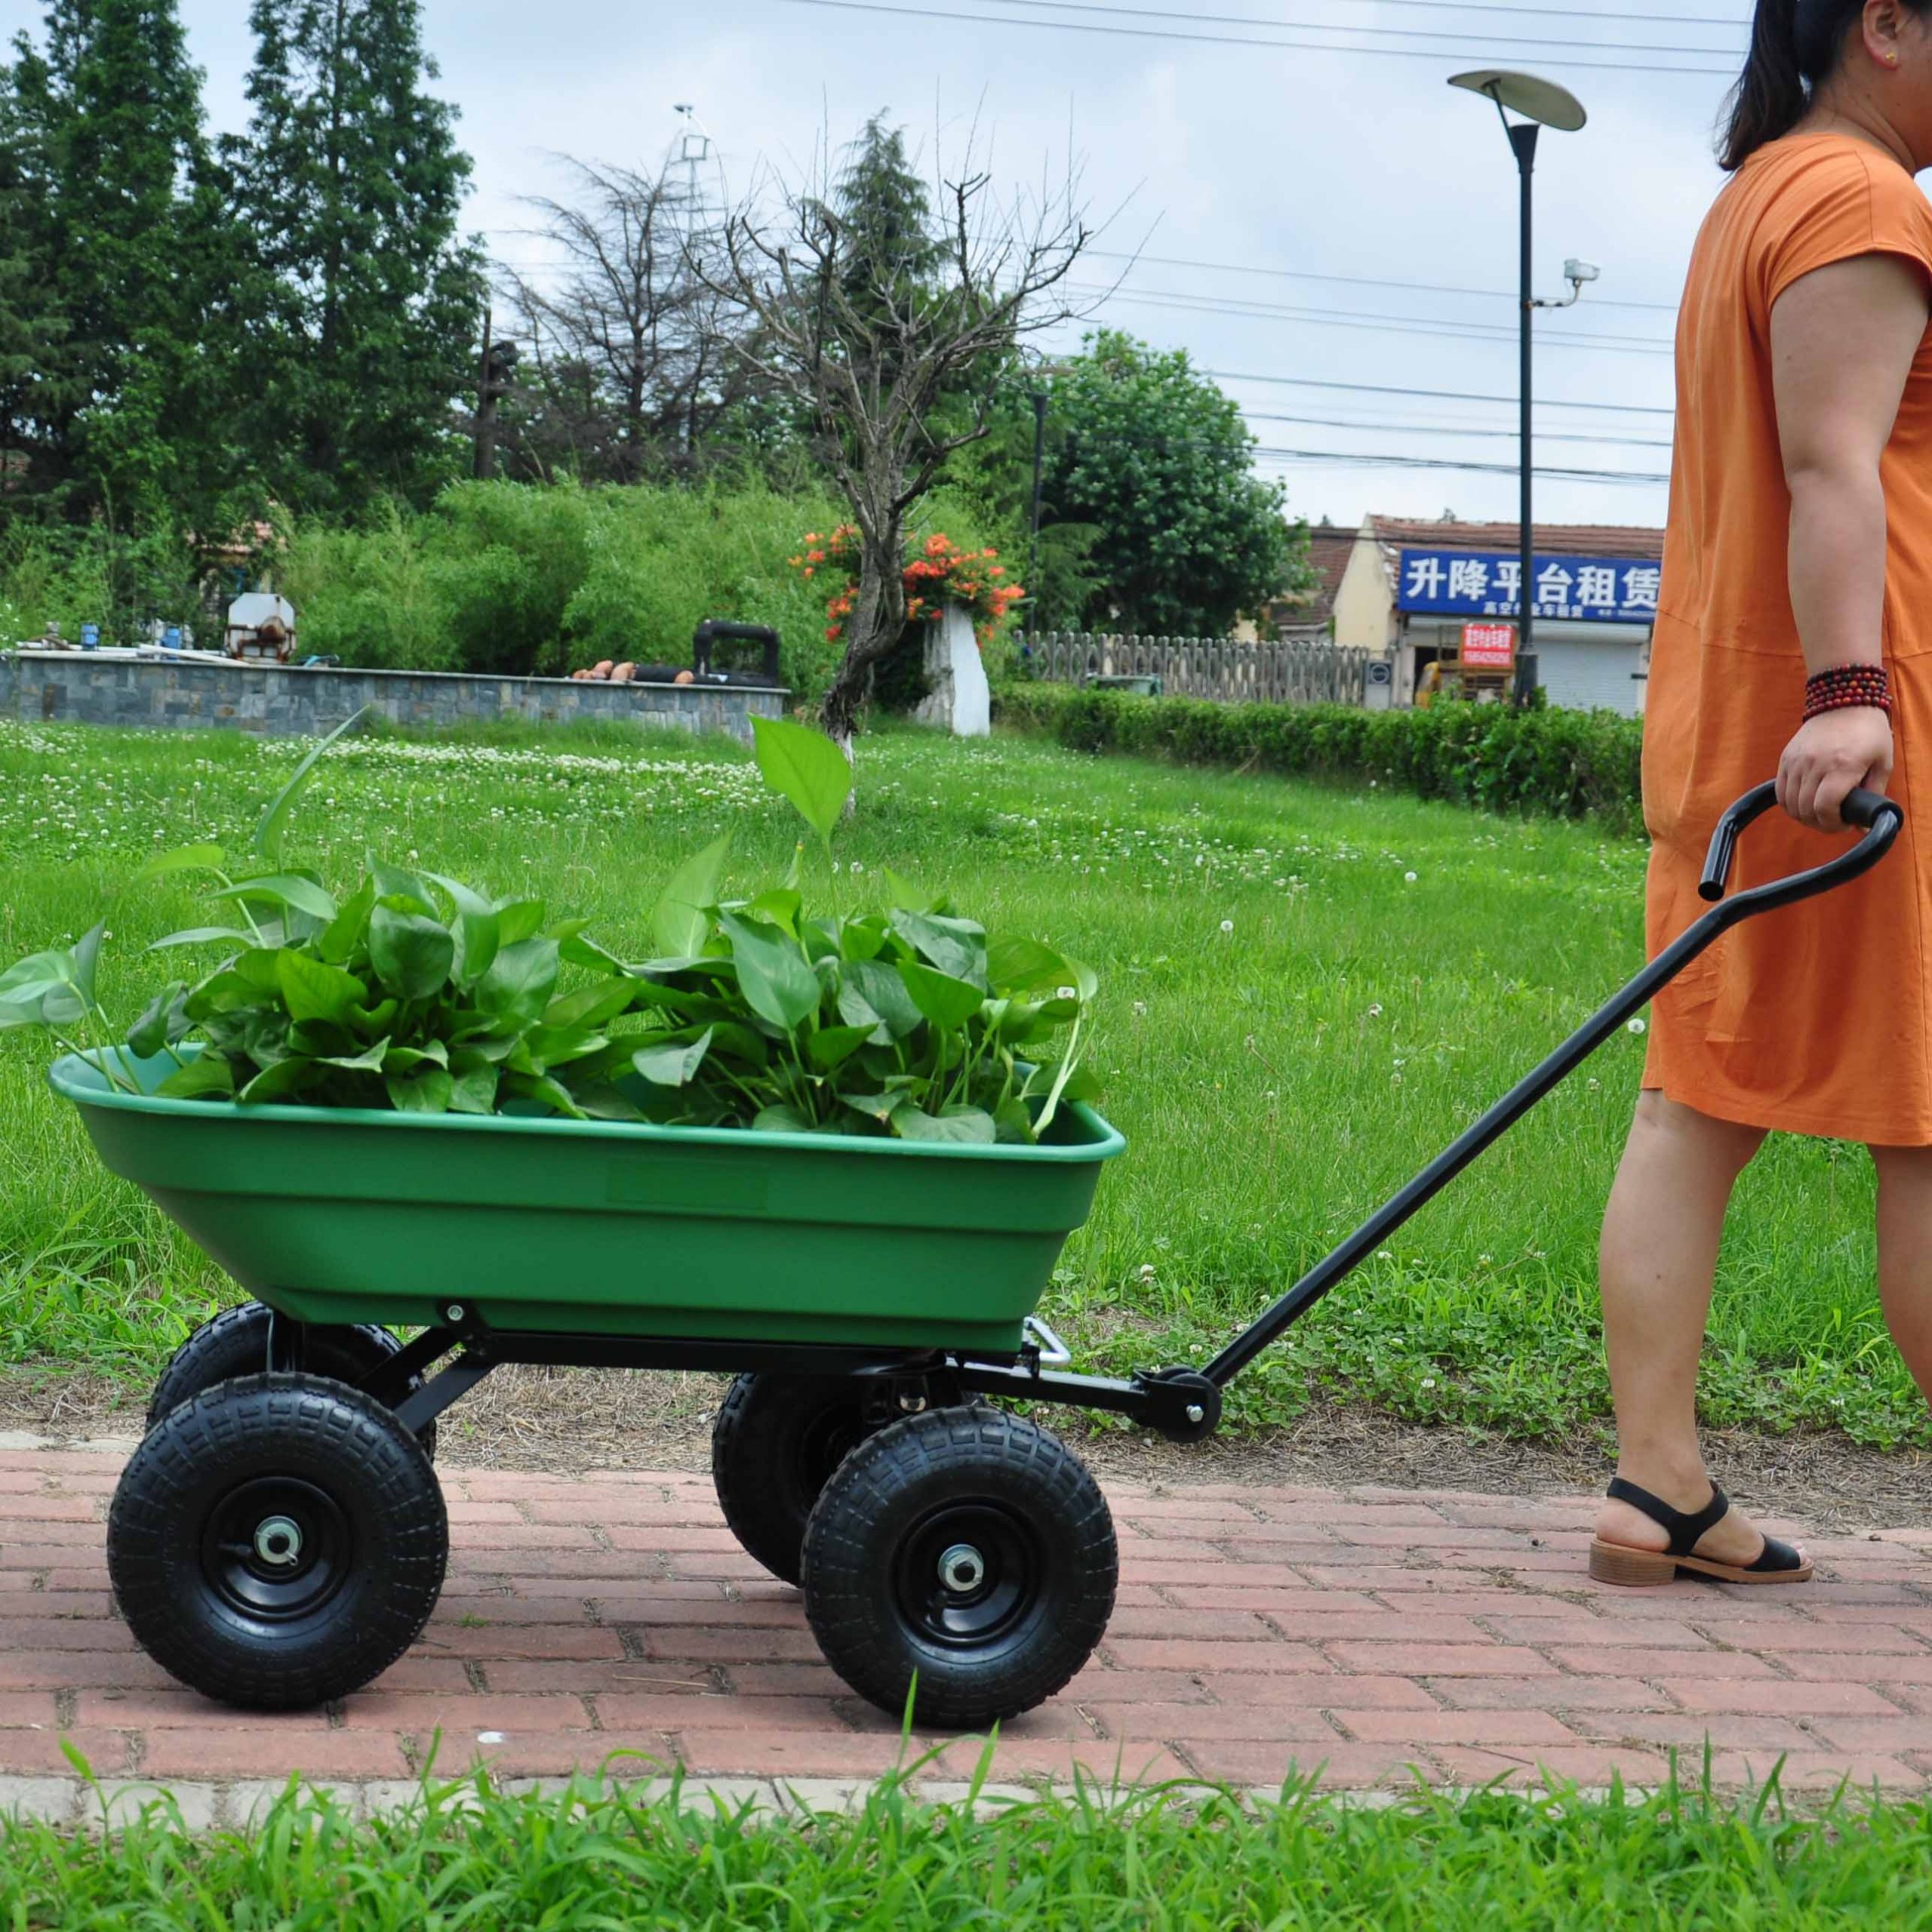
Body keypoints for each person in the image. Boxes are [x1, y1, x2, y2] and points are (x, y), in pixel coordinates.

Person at [1594, 0, 1932, 1587]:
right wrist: (1853, 697)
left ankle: (1653, 1483)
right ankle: (1654, 1487)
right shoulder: (1857, 198)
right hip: (1856, 725)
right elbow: (1830, 463)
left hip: (1742, 714)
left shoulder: (1758, 192)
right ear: (1881, 23)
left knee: (1694, 1102)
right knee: (1924, 1133)